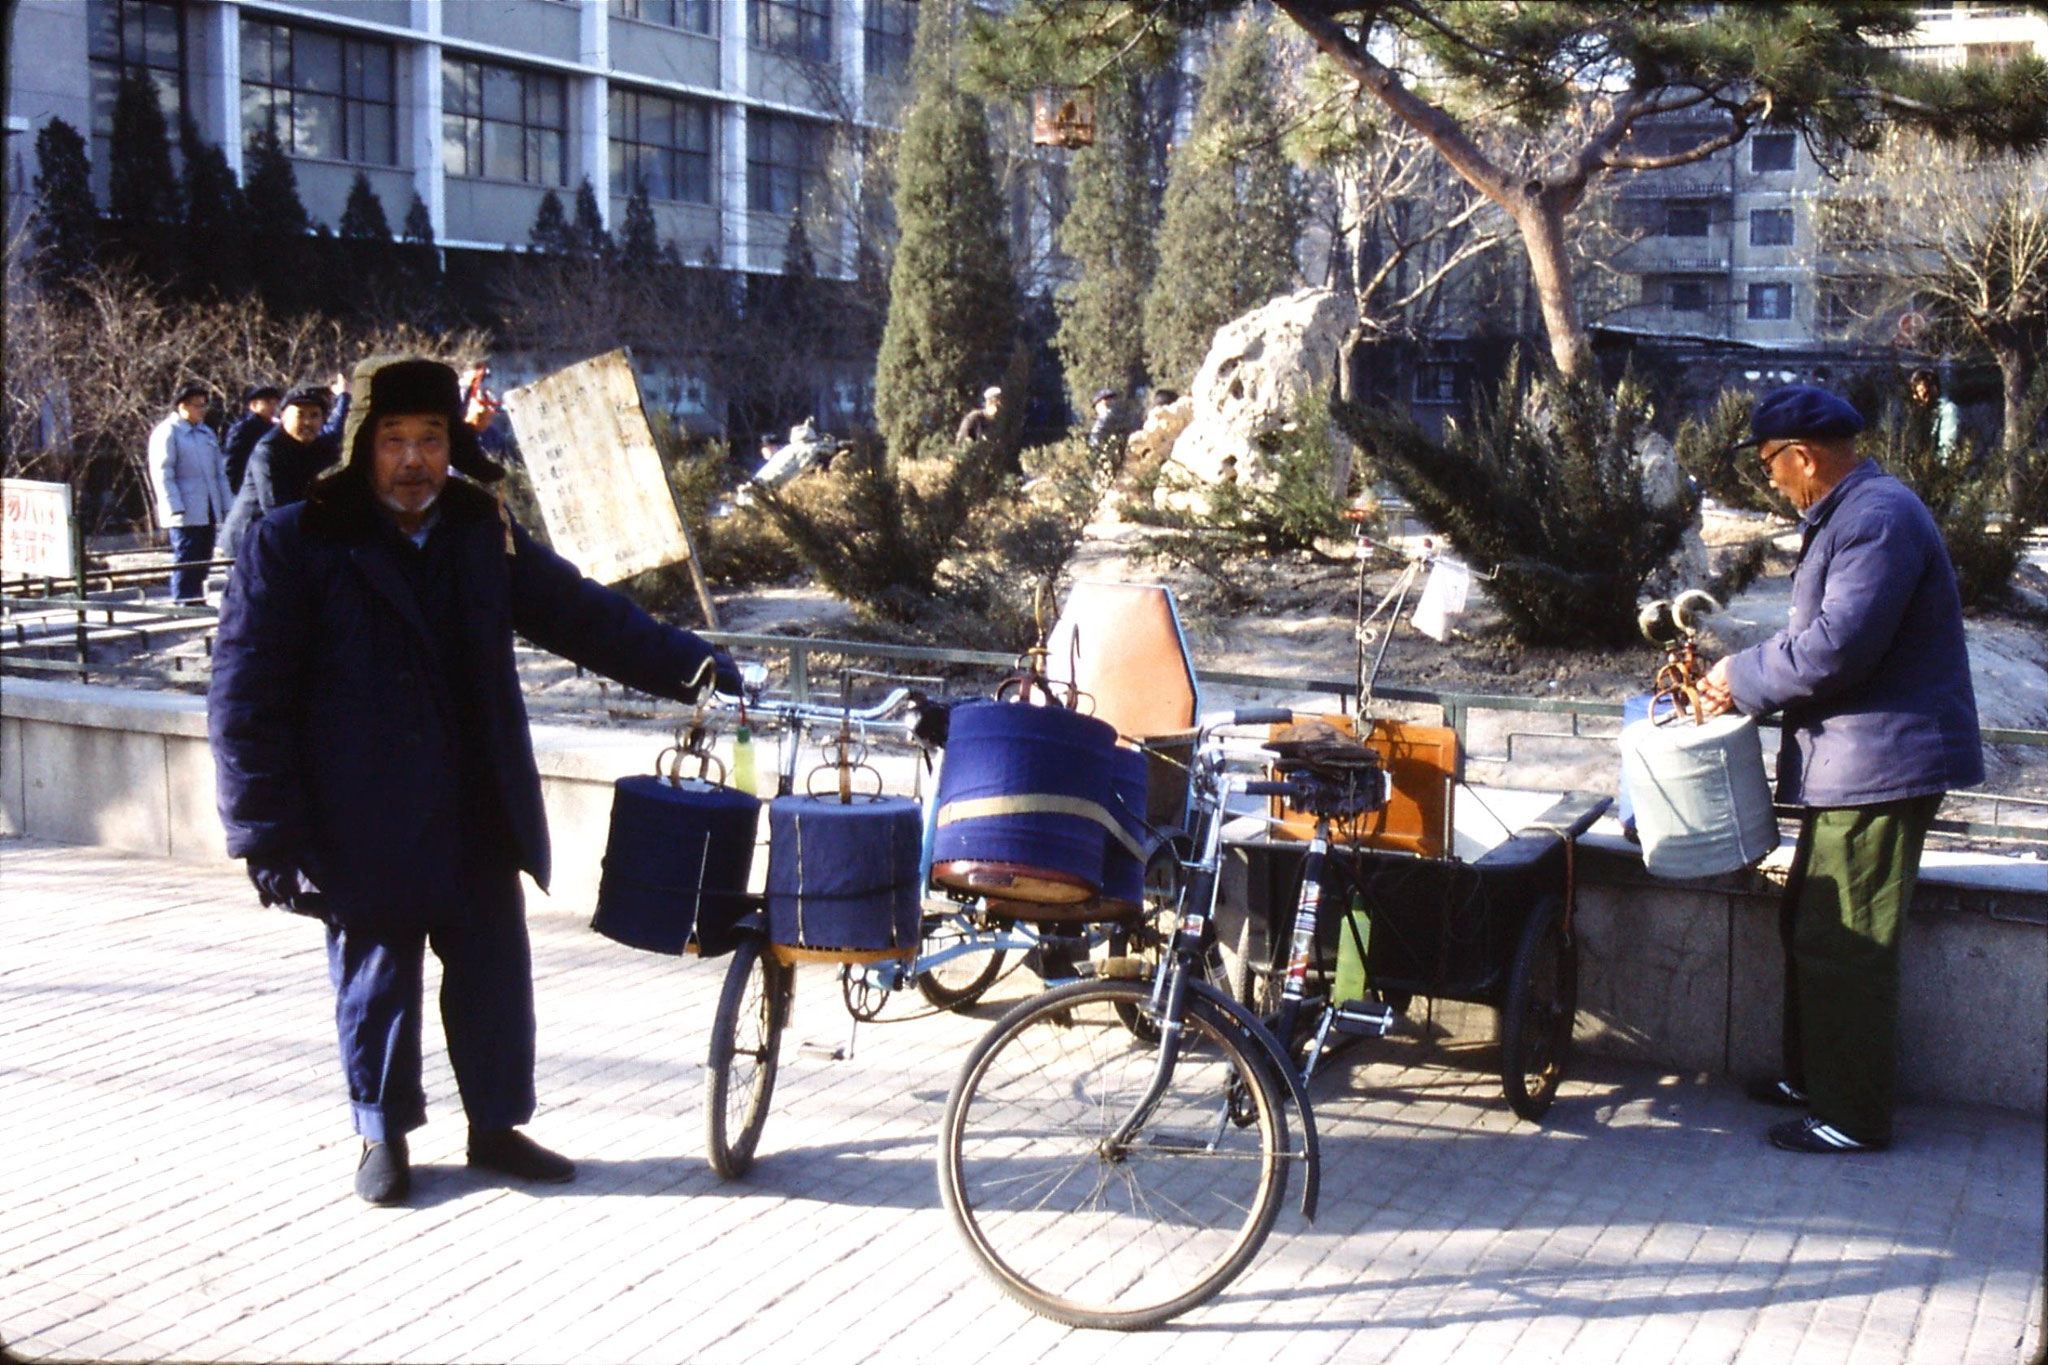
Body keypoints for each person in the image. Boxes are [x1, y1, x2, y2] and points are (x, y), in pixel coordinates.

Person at [208, 356, 740, 1206]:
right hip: (362, 816)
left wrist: (695, 667)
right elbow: (243, 702)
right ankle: (381, 1133)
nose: (414, 460)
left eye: (430, 439)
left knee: (495, 977)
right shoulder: (296, 542)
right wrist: (264, 834)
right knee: (377, 980)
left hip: (473, 804)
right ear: (360, 449)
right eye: (394, 441)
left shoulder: (477, 528)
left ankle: (496, 1125)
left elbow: (581, 614)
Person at [1698, 385, 1982, 1155]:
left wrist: (1739, 675)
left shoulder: (1876, 519)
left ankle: (1852, 1114)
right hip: (1858, 761)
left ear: (1804, 455)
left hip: (1883, 762)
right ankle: (1813, 1075)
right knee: (1812, 923)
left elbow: (1836, 649)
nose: (1771, 483)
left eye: (1770, 467)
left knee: (1849, 938)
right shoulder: (1855, 513)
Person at [219, 385, 341, 559]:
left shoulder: (322, 448)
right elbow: (275, 505)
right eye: (300, 415)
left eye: (314, 415)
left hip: (290, 535)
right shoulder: (268, 450)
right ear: (283, 417)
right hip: (252, 537)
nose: (307, 422)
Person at [147, 383, 234, 605]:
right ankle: (183, 596)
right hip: (185, 507)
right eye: (197, 406)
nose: (202, 410)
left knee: (204, 553)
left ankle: (196, 596)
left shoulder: (206, 432)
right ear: (182, 406)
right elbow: (163, 473)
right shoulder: (168, 432)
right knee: (186, 553)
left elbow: (219, 473)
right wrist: (174, 506)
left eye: (204, 406)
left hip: (207, 506)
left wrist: (226, 505)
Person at [223, 384, 282, 495]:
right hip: (247, 487)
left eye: (275, 403)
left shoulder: (275, 428)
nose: (273, 407)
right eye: (268, 402)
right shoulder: (243, 429)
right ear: (254, 405)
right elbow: (231, 463)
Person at [1905, 368, 1960, 464]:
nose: (1916, 397)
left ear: (1933, 390)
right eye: (1914, 392)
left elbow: (1948, 449)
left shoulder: (1948, 411)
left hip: (1938, 472)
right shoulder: (1918, 413)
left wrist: (1932, 469)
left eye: (1921, 391)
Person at [1086, 388, 1123, 457]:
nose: (1111, 401)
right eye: (1107, 399)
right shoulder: (1103, 417)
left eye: (1112, 399)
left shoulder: (1108, 416)